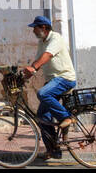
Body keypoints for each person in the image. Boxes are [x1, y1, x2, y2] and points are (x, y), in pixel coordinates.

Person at [22, 15, 76, 160]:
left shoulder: (55, 38)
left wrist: (33, 67)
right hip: (53, 81)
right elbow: (38, 60)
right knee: (42, 117)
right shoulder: (42, 42)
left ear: (44, 28)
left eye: (35, 28)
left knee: (43, 93)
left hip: (65, 78)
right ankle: (54, 150)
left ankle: (66, 118)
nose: (33, 31)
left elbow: (47, 56)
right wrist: (25, 74)